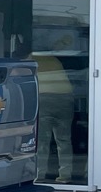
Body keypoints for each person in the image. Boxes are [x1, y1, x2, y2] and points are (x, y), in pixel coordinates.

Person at [32, 52, 75, 183]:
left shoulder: (32, 59)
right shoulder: (54, 59)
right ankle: (65, 174)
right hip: (66, 98)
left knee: (42, 141)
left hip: (45, 98)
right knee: (64, 140)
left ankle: (39, 175)